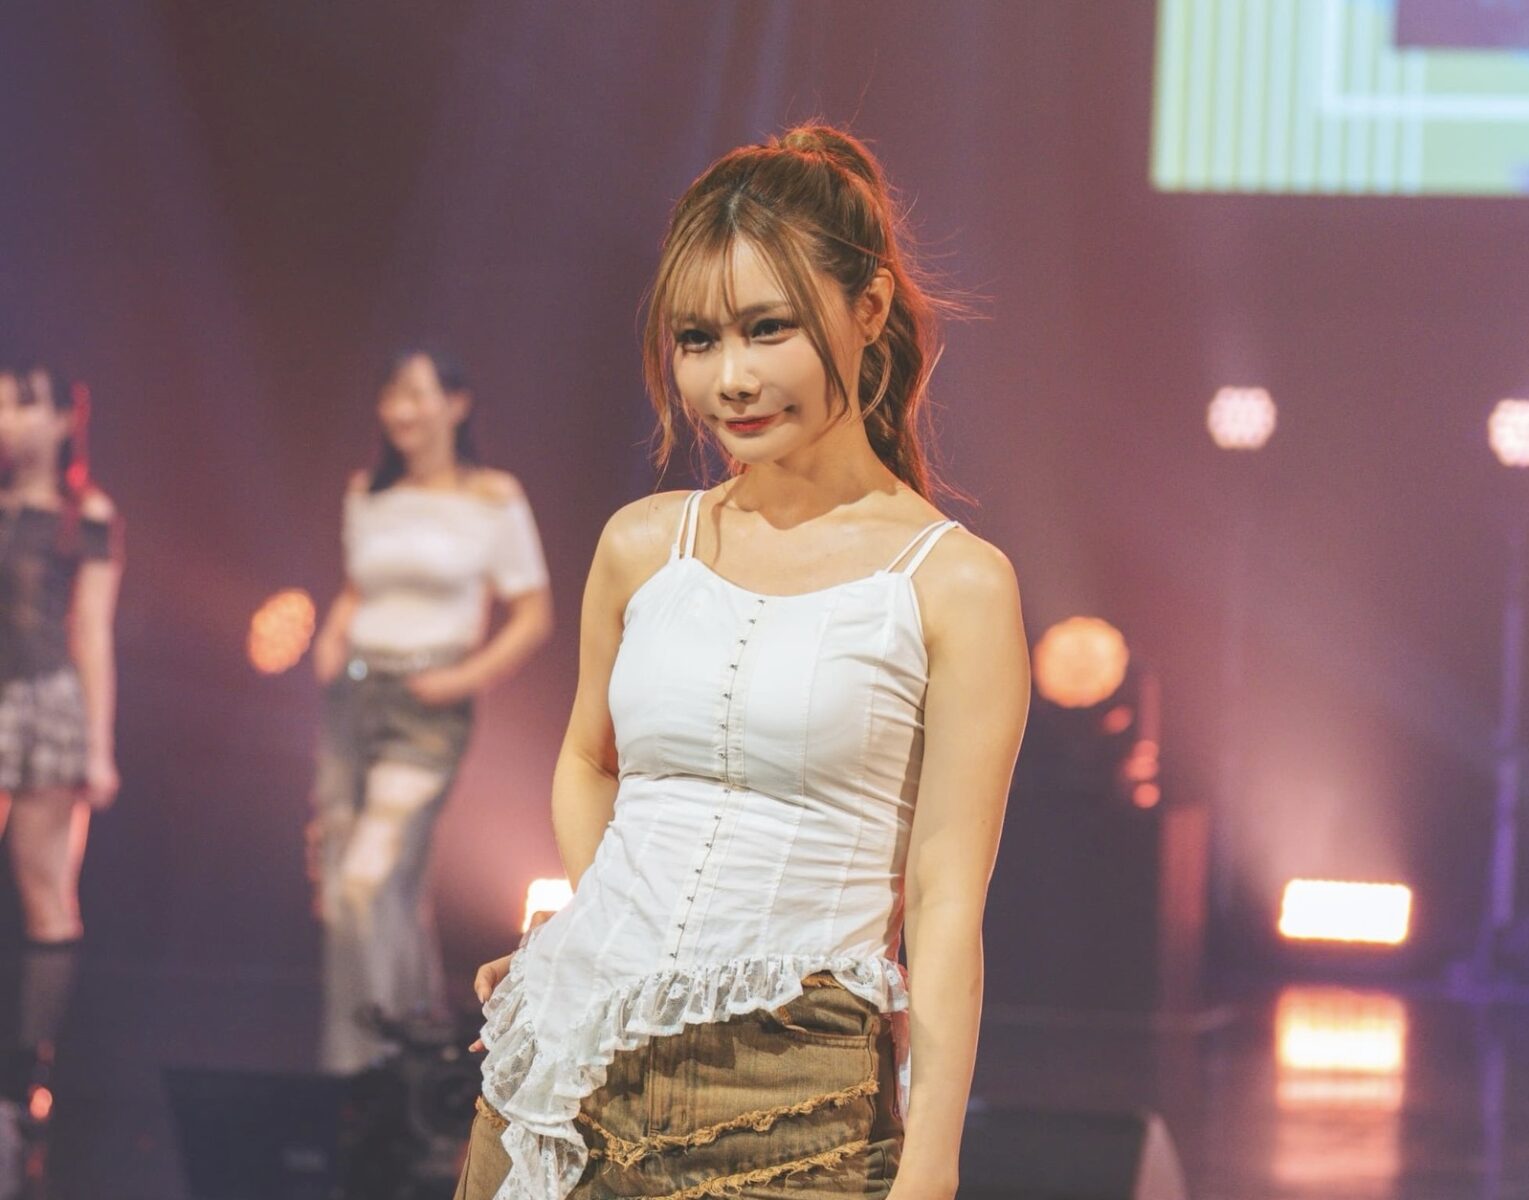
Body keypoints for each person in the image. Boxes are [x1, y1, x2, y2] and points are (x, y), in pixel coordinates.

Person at [455, 126, 1029, 1200]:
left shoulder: (954, 584)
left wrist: (931, 1164)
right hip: (566, 1071)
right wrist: (604, 934)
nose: (732, 379)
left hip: (794, 1097)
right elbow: (588, 761)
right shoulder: (642, 544)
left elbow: (947, 899)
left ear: (869, 309)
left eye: (769, 329)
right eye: (698, 339)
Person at [309, 349, 554, 1075]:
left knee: (367, 879)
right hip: (354, 695)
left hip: (427, 706)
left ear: (456, 403)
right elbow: (359, 588)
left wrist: (462, 678)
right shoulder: (368, 491)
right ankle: (403, 1051)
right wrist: (330, 641)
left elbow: (533, 613)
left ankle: (368, 1063)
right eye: (391, 394)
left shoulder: (492, 496)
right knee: (359, 888)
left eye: (417, 394)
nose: (401, 410)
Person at [0, 362, 122, 1156]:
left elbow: (92, 631)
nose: (8, 419)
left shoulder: (86, 514)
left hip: (46, 705)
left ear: (61, 419)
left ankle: (23, 1079)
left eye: (22, 405)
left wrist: (100, 747)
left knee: (46, 894)